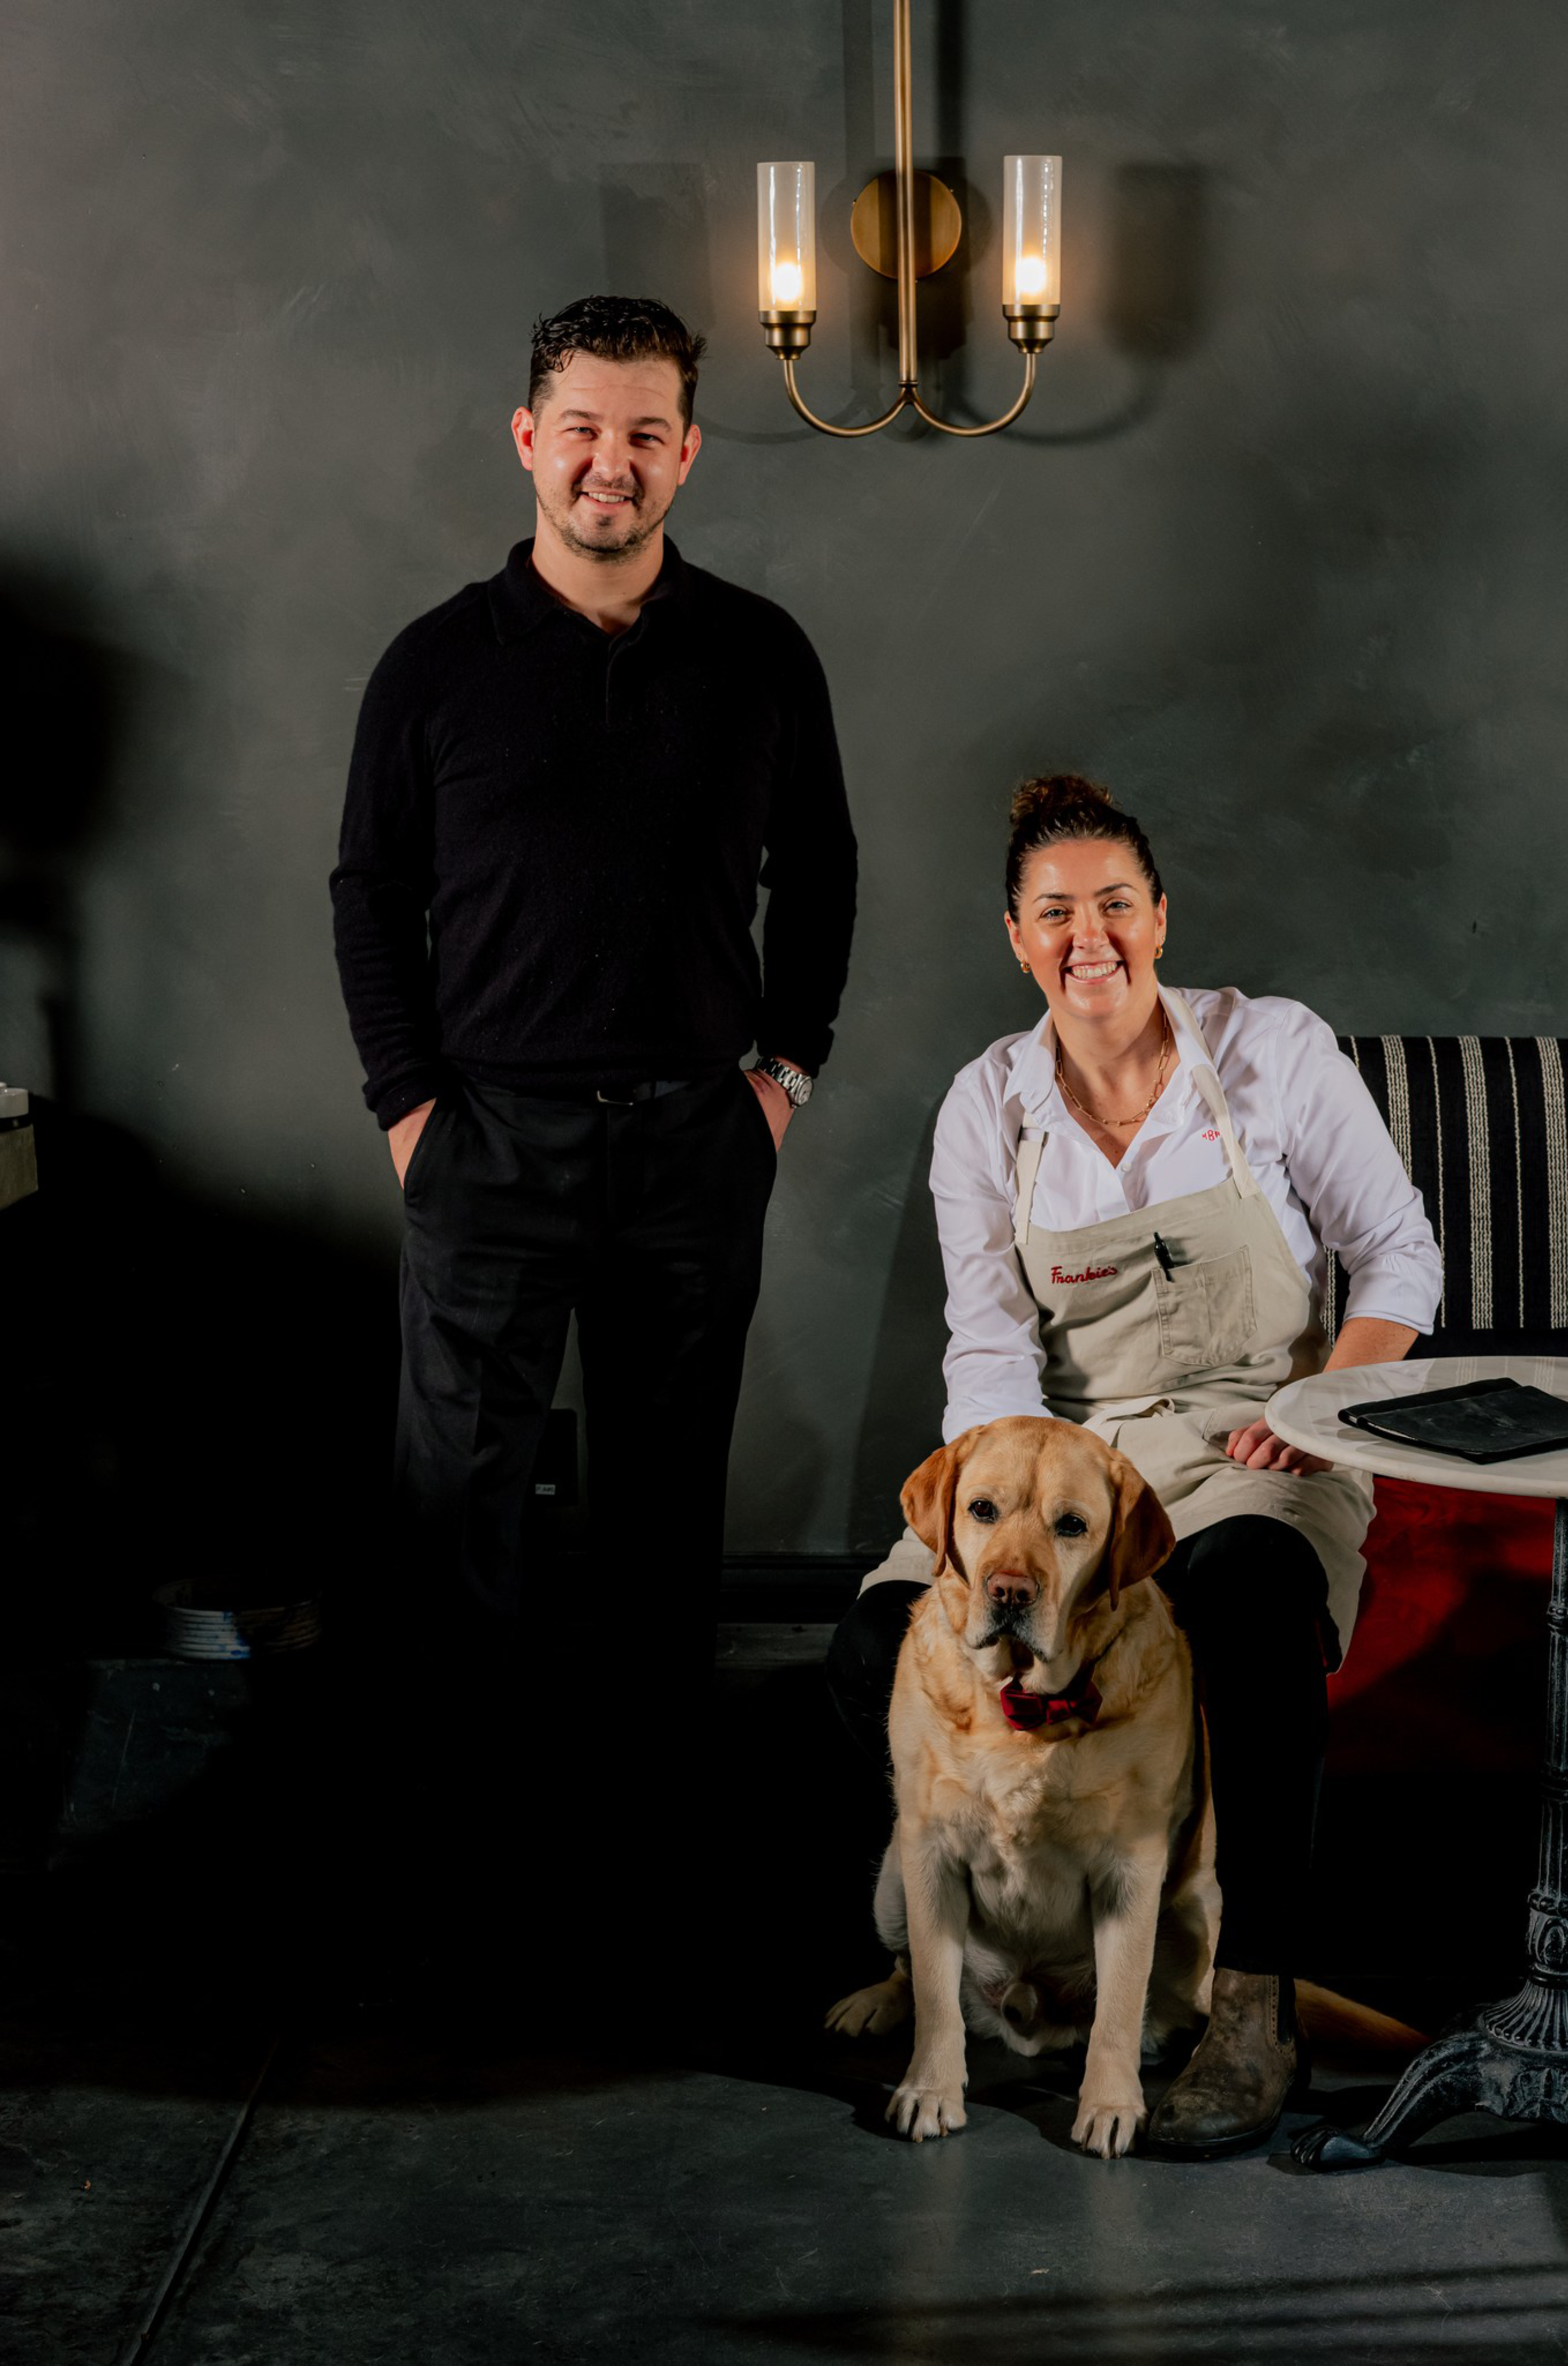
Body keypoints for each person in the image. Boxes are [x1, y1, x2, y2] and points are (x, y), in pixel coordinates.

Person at [825, 773, 1440, 2157]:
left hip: (1259, 1432)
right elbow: (987, 1358)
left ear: (1162, 917)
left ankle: (1251, 1999)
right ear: (1016, 937)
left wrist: (1330, 1401)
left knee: (1249, 1595)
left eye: (1114, 904)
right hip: (1063, 1458)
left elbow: (1403, 1254)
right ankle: (1000, 1954)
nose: (1087, 935)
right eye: (1056, 913)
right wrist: (1005, 1542)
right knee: (874, 1641)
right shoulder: (988, 1107)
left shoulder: (1271, 1051)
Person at [331, 294, 856, 1693]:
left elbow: (822, 875)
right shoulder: (435, 664)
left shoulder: (762, 656)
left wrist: (780, 1083)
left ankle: (646, 1853)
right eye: (580, 430)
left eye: (643, 433)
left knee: (666, 1526)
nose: (607, 463)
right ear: (527, 440)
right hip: (486, 1141)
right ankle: (454, 1865)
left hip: (697, 1138)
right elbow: (370, 894)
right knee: (459, 1529)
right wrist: (411, 1112)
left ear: (689, 453)